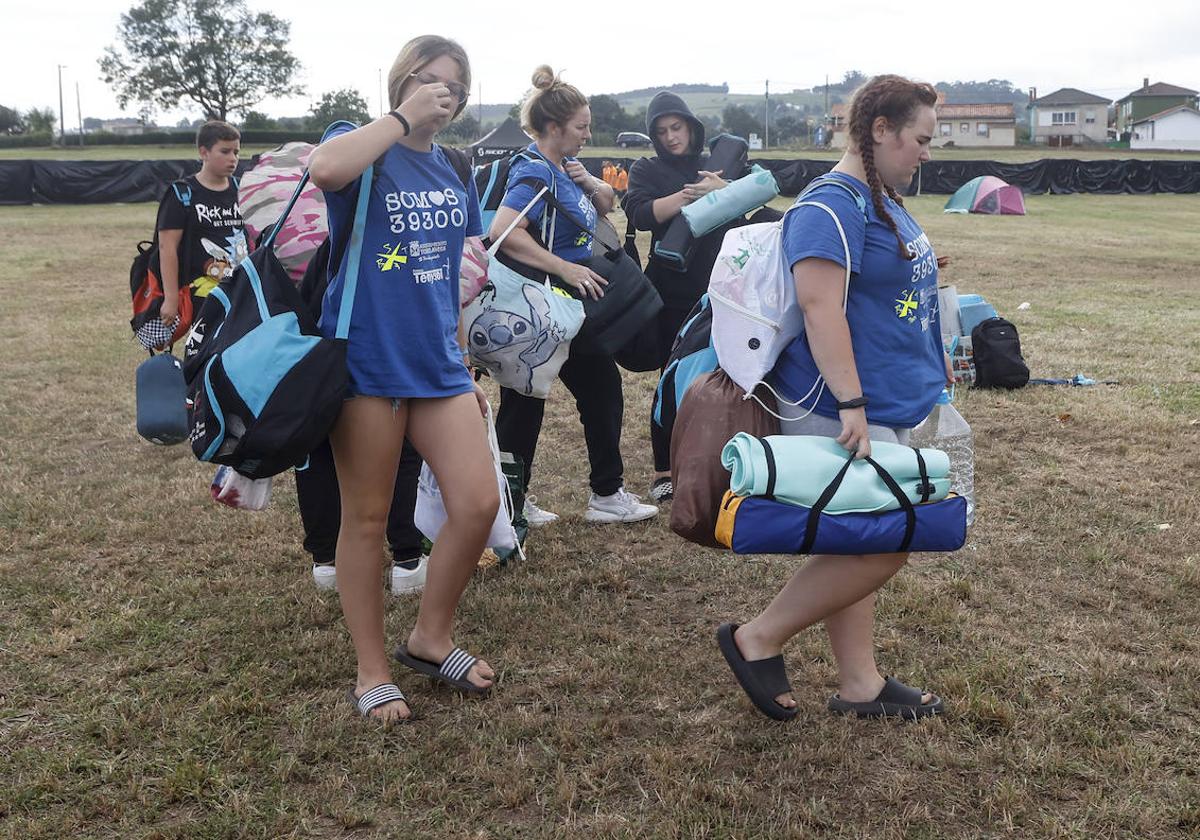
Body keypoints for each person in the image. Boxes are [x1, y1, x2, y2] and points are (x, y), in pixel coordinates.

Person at [716, 74, 955, 722]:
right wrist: (851, 404)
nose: (926, 154)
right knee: (883, 539)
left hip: (880, 400)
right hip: (839, 406)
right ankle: (756, 638)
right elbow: (821, 308)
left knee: (854, 539)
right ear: (880, 130)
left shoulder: (880, 197)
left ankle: (860, 684)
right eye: (920, 140)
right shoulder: (829, 205)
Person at [307, 35, 500, 723]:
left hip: (435, 364)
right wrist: (399, 118)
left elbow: (445, 273)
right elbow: (324, 170)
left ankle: (430, 635)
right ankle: (372, 669)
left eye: (454, 86)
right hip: (366, 360)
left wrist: (460, 358)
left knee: (476, 504)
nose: (440, 94)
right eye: (427, 80)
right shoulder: (359, 142)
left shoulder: (453, 164)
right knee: (364, 519)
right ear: (400, 81)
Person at [488, 66, 657, 526]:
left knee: (542, 400)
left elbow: (603, 205)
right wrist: (565, 267)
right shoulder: (533, 170)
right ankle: (596, 495)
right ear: (554, 127)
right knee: (552, 400)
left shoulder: (560, 168)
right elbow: (503, 230)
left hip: (570, 307)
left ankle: (517, 502)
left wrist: (589, 181)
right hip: (554, 303)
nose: (587, 133)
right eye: (581, 126)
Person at [621, 92, 748, 503]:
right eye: (662, 131)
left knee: (728, 374)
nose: (671, 137)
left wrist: (722, 187)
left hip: (722, 285)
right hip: (669, 289)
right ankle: (664, 469)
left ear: (692, 126)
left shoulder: (720, 163)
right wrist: (690, 196)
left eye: (677, 127)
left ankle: (724, 460)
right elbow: (640, 214)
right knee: (672, 379)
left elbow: (754, 208)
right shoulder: (647, 168)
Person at [156, 120, 249, 334]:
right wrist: (170, 299)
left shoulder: (242, 190)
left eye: (236, 152)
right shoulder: (182, 194)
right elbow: (167, 248)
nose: (233, 158)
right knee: (204, 353)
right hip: (202, 295)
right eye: (224, 151)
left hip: (241, 291)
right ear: (204, 152)